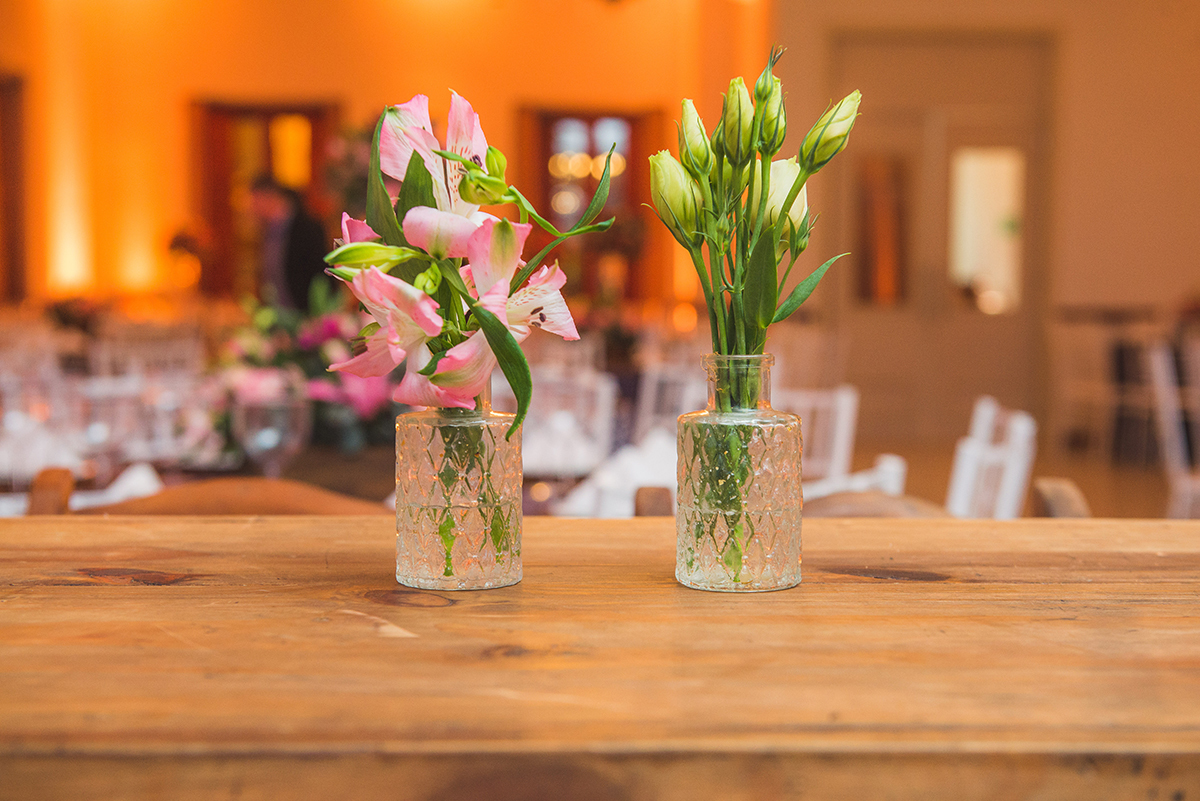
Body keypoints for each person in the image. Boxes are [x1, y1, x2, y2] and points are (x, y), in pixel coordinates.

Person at [248, 175, 330, 311]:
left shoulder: (307, 227)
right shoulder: (269, 230)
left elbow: (320, 274)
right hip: (280, 314)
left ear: (267, 196)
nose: (252, 209)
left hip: (306, 312)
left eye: (255, 201)